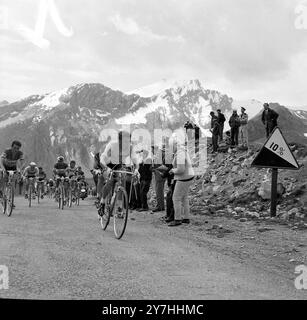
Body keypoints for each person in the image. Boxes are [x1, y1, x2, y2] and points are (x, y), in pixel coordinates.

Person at [97, 130, 138, 217]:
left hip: (120, 164)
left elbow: (135, 160)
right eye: (124, 141)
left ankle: (119, 208)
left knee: (122, 180)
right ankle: (102, 202)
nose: (127, 143)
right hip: (108, 163)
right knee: (111, 180)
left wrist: (137, 170)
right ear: (119, 141)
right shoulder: (112, 145)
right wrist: (106, 168)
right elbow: (103, 158)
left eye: (128, 141)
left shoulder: (130, 147)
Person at [168, 132, 195, 227]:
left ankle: (177, 219)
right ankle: (186, 218)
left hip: (183, 178)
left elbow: (181, 169)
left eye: (171, 145)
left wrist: (172, 170)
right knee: (184, 198)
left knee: (176, 198)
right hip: (188, 177)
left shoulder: (180, 153)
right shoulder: (182, 151)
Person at [152, 145, 166, 213]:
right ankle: (161, 205)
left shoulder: (159, 153)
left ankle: (160, 206)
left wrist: (153, 168)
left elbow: (158, 165)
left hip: (159, 175)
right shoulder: (162, 152)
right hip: (161, 174)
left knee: (159, 191)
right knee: (160, 190)